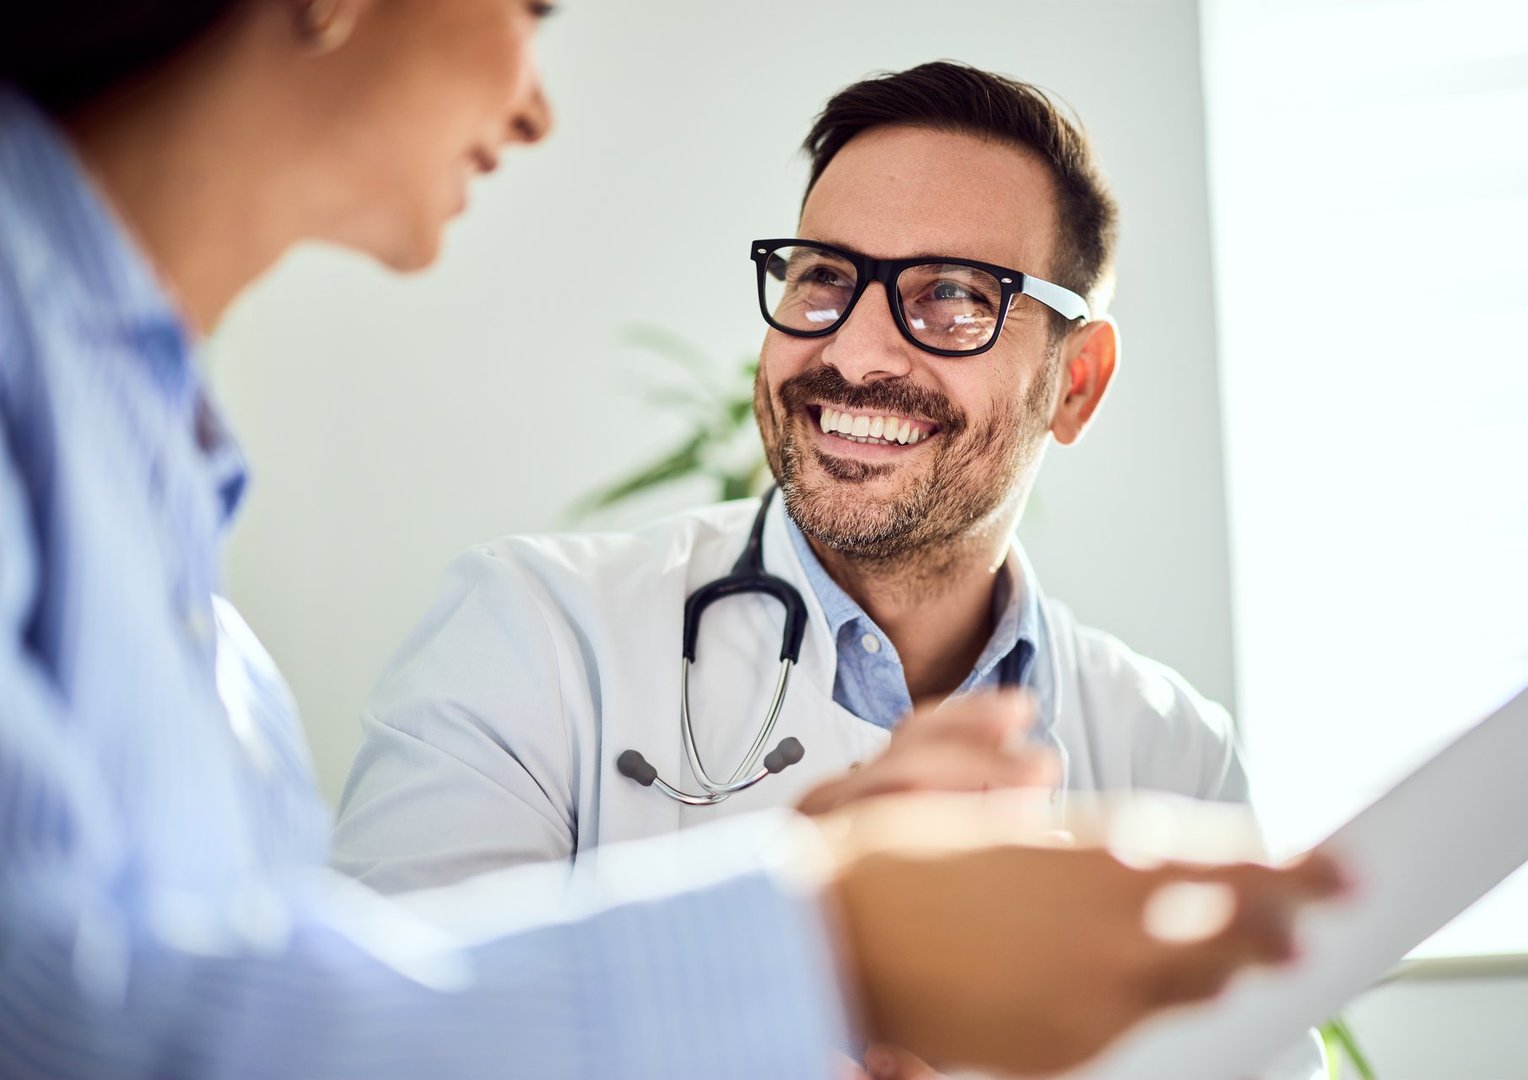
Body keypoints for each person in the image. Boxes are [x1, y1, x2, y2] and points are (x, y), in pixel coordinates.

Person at [0, 5, 1343, 1077]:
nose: (854, 349)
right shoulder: (533, 631)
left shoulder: (1176, 751)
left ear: (1082, 384)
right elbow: (287, 1025)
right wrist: (815, 949)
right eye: (824, 280)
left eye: (950, 299)